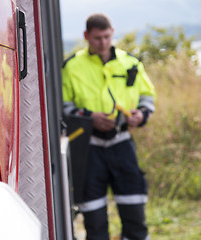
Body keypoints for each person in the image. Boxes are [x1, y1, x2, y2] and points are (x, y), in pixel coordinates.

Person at [62, 13, 156, 240]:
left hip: (122, 144)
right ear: (86, 36)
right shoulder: (71, 66)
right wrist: (88, 117)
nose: (103, 43)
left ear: (112, 32)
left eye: (106, 37)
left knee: (134, 210)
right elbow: (63, 106)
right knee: (94, 218)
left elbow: (147, 97)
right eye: (96, 38)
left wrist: (140, 115)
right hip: (89, 147)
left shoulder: (131, 62)